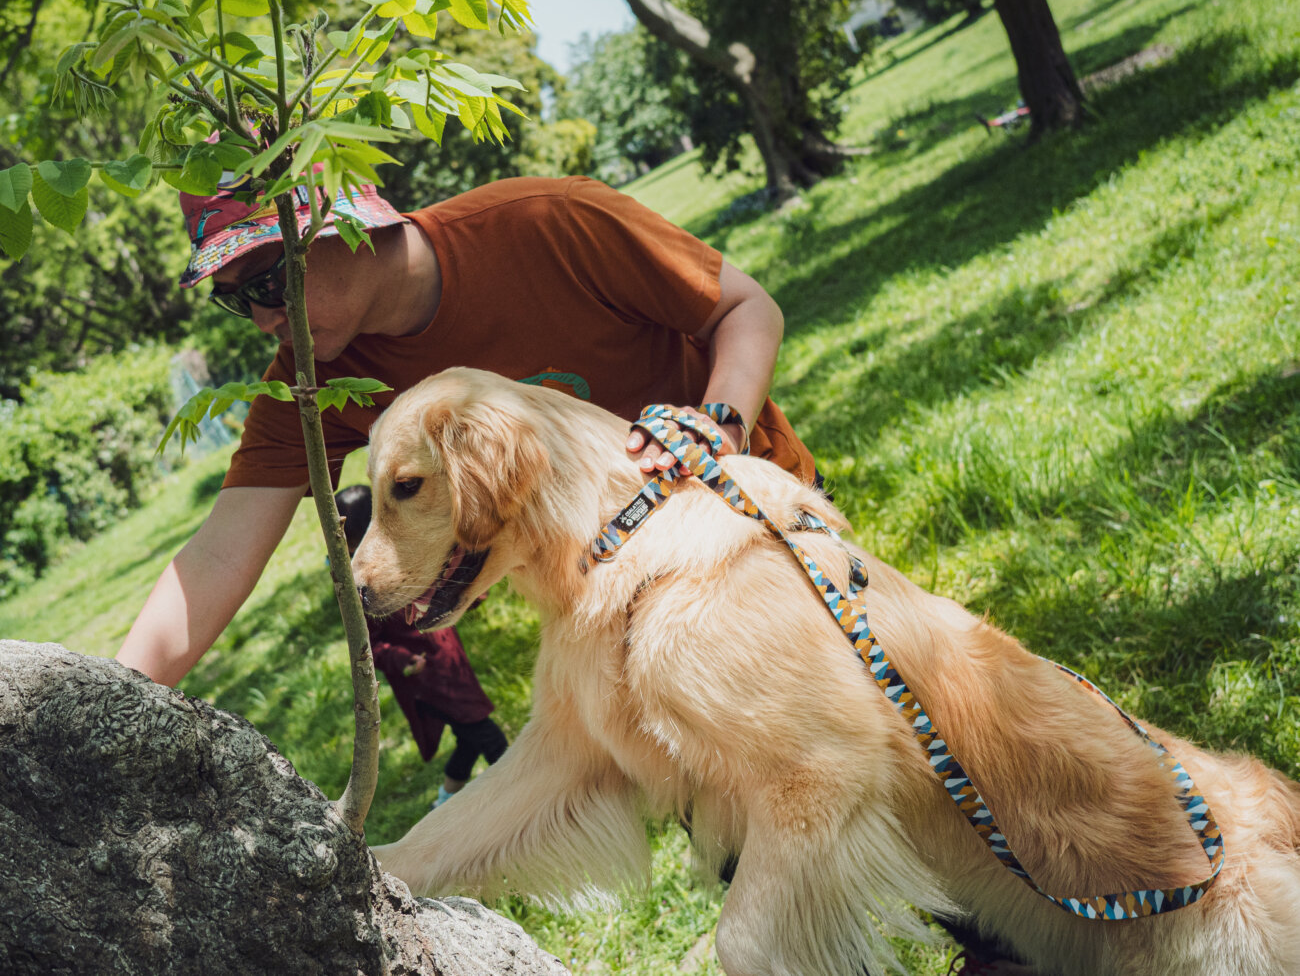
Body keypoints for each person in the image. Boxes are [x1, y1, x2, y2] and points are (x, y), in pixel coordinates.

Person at [117, 172, 815, 687]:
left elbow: (746, 309)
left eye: (268, 282)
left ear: (342, 224)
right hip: (614, 607)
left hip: (749, 526)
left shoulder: (549, 222)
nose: (267, 318)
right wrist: (98, 699)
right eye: (235, 300)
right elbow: (216, 559)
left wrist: (714, 426)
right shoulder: (310, 378)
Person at [334, 484, 507, 807]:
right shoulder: (361, 590)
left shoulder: (407, 557)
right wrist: (403, 660)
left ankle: (444, 802)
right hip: (427, 680)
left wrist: (467, 598)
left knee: (468, 740)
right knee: (488, 736)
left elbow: (435, 592)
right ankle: (521, 796)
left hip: (450, 663)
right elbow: (369, 648)